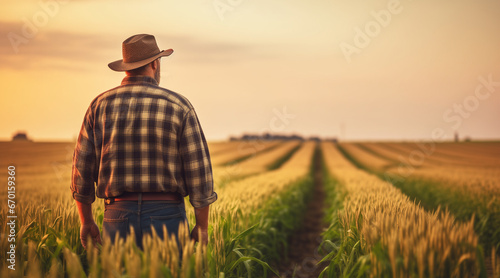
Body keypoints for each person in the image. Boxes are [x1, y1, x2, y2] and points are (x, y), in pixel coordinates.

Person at [71, 34, 217, 250]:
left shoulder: (99, 106)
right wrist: (202, 227)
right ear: (155, 64)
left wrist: (87, 222)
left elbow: (81, 172)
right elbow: (199, 172)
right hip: (167, 216)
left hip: (117, 215)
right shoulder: (179, 106)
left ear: (126, 67)